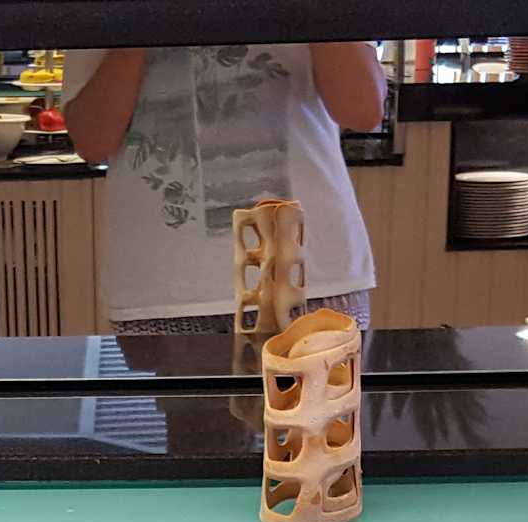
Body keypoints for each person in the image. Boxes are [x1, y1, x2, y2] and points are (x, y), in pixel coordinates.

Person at [62, 45, 386, 334]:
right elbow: (92, 142)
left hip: (311, 280)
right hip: (163, 289)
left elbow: (362, 112)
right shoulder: (103, 9)